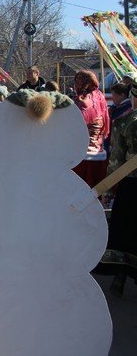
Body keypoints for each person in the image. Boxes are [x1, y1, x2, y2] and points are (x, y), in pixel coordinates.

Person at [101, 76, 137, 297]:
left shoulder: (124, 122)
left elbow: (115, 160)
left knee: (126, 231)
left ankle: (120, 278)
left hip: (131, 185)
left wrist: (107, 190)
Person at [72, 70, 110, 188]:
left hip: (82, 157)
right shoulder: (100, 97)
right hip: (99, 154)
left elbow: (74, 127)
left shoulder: (81, 101)